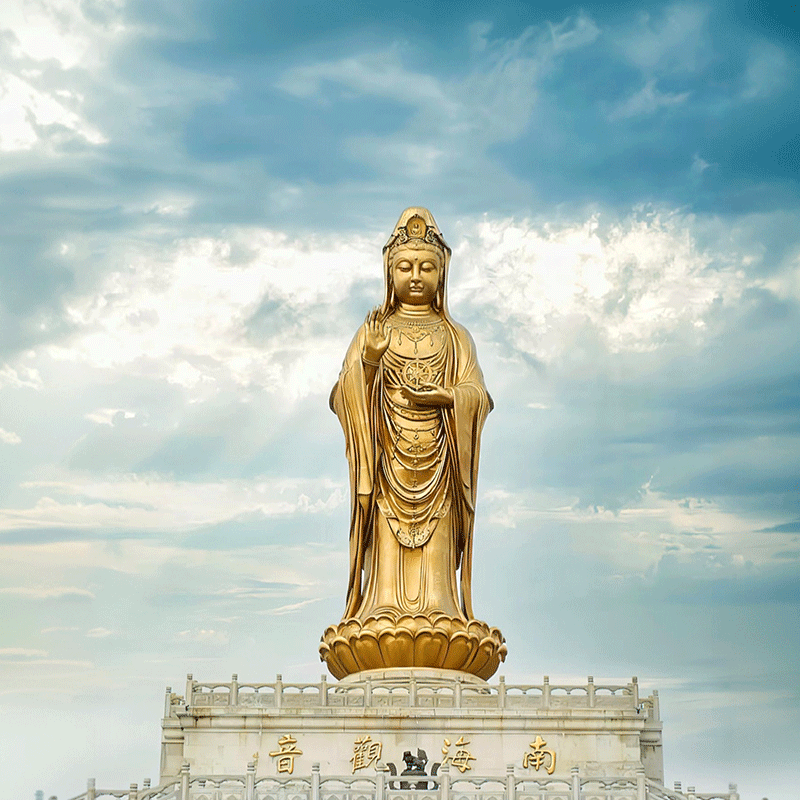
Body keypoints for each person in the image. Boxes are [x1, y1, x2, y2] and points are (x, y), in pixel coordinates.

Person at [321, 207, 505, 678]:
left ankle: (442, 609)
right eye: (405, 267)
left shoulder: (455, 336)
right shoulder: (372, 330)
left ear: (442, 273)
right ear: (389, 271)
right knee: (386, 560)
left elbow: (477, 396)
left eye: (427, 267)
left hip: (442, 463)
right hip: (386, 467)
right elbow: (344, 396)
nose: (416, 276)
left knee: (437, 573)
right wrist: (368, 362)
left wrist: (448, 396)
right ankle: (380, 608)